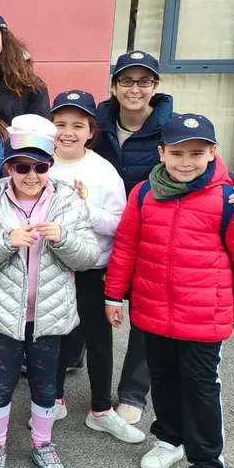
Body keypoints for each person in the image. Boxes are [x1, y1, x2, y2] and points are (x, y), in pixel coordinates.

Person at [93, 50, 234, 425]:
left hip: (159, 224)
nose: (134, 89)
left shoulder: (170, 126)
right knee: (101, 306)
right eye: (126, 80)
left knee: (148, 309)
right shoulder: (99, 122)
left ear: (155, 86)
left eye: (143, 81)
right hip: (109, 226)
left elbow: (205, 168)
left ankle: (134, 392)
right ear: (114, 85)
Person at [103, 113, 234, 468]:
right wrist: (114, 294)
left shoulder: (231, 198)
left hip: (204, 314)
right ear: (162, 152)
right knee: (162, 380)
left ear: (212, 152)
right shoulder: (144, 193)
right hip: (152, 308)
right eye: (177, 153)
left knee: (202, 386)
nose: (186, 162)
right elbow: (126, 247)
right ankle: (169, 439)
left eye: (196, 153)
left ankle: (208, 462)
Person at [0, 115, 100, 468]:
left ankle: (42, 443)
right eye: (23, 165)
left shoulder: (68, 201)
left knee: (46, 385)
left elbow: (88, 257)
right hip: (3, 314)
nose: (32, 174)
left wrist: (63, 238)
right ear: (8, 166)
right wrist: (6, 240)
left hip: (49, 315)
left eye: (41, 165)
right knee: (1, 383)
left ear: (50, 164)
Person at [44, 90, 142, 443]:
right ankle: (52, 400)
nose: (67, 132)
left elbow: (120, 224)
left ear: (90, 131)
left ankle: (101, 409)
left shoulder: (102, 170)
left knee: (98, 341)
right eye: (60, 125)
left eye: (77, 125)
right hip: (50, 268)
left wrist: (83, 207)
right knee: (52, 337)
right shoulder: (40, 163)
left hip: (91, 270)